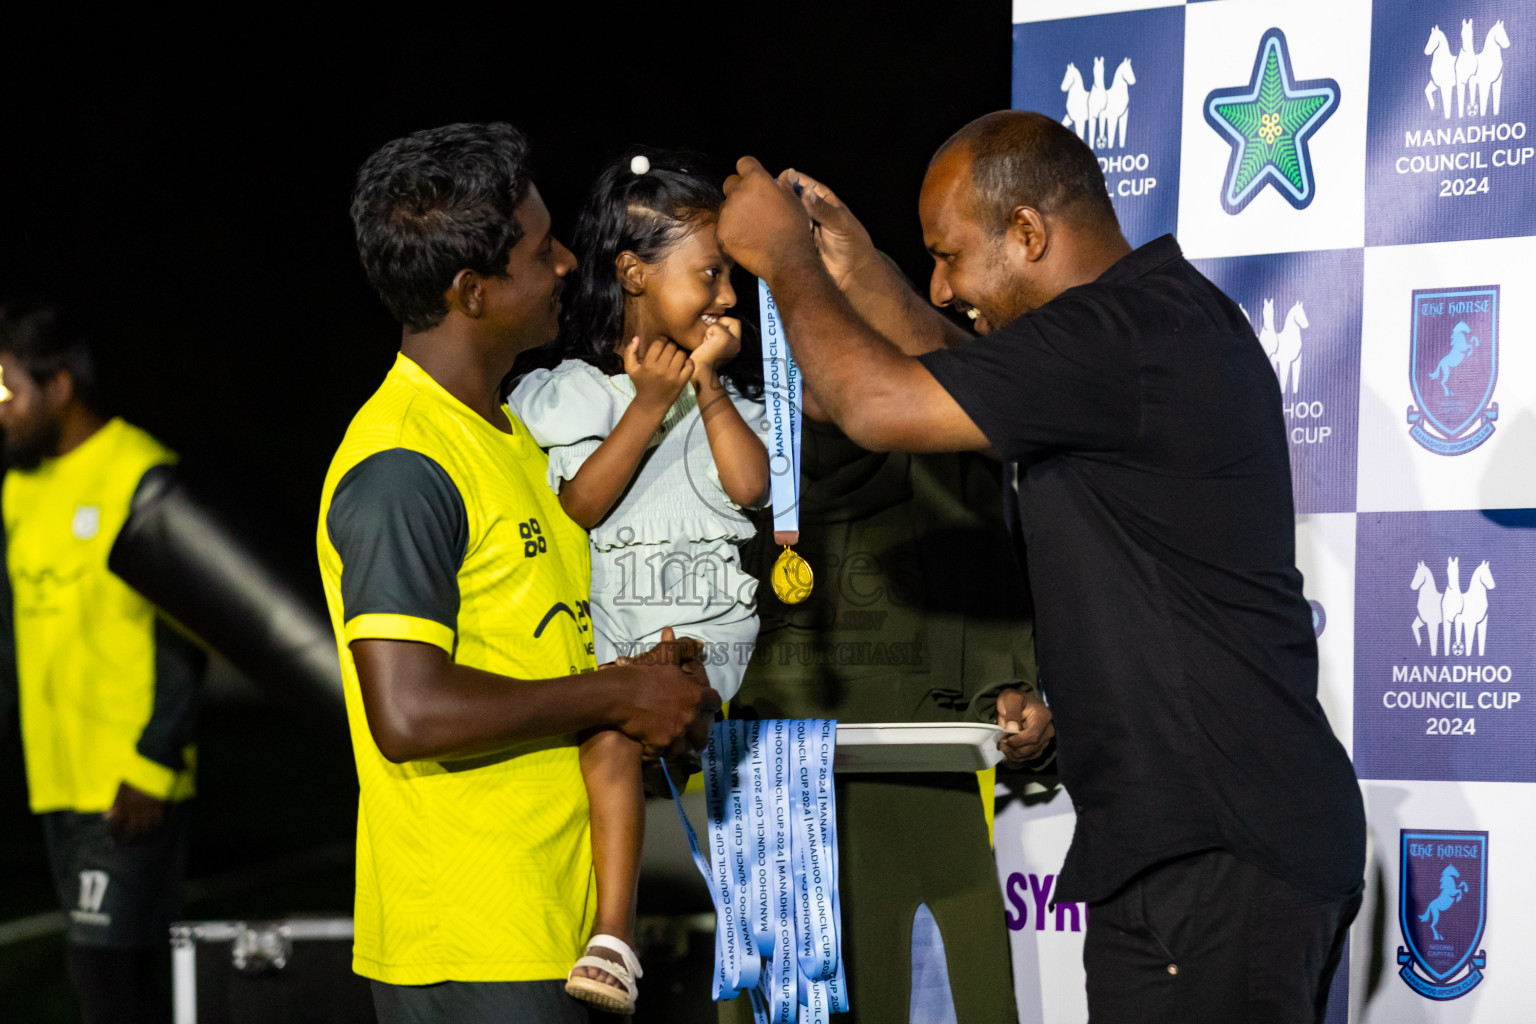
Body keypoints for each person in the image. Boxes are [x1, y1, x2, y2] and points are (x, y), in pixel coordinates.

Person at [713, 110, 1366, 1024]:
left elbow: (877, 403)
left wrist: (786, 263)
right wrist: (865, 269)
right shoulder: (1134, 329)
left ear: (1028, 233)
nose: (941, 288)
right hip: (1198, 843)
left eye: (949, 256)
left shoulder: (1124, 333)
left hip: (1215, 848)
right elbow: (947, 359)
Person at [327, 122, 720, 1024]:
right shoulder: (401, 465)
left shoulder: (501, 435)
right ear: (471, 291)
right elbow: (408, 711)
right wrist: (613, 694)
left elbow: (541, 654)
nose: (566, 265)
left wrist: (649, 689)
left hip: (554, 927)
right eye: (542, 251)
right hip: (474, 943)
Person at [506, 149, 769, 1014]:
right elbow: (579, 506)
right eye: (710, 273)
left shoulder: (722, 395)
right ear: (632, 274)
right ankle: (614, 937)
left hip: (708, 653)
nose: (729, 295)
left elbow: (752, 489)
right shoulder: (579, 394)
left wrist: (705, 386)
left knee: (677, 684)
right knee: (613, 732)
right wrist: (649, 402)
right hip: (619, 650)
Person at [719, 413, 1055, 1024]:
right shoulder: (735, 416)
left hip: (891, 766)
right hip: (806, 774)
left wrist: (1011, 688)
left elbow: (987, 579)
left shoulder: (944, 419)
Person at [0, 306, 205, 1024]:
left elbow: (186, 634)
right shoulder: (17, 488)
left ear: (58, 387)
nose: (1, 412)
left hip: (128, 782)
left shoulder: (141, 471)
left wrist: (153, 761)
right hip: (56, 779)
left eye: (6, 391)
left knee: (102, 977)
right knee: (126, 988)